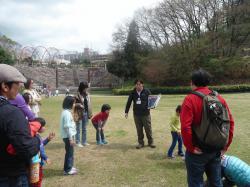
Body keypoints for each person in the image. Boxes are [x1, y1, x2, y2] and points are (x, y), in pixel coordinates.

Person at [180, 69, 234, 187]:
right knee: (216, 182)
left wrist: (190, 147)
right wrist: (225, 145)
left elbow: (185, 127)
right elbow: (230, 122)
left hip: (198, 151)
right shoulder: (219, 98)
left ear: (192, 82)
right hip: (216, 149)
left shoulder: (190, 99)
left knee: (196, 183)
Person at [0, 64, 40, 187]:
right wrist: (36, 140)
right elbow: (27, 149)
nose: (20, 87)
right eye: (17, 83)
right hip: (10, 177)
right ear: (5, 86)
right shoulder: (10, 112)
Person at [125, 79, 156, 149]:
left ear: (142, 85)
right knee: (139, 129)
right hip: (136, 114)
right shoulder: (133, 92)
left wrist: (152, 105)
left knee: (148, 129)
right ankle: (140, 143)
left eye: (139, 84)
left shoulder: (146, 91)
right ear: (135, 85)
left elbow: (152, 100)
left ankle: (151, 142)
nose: (138, 86)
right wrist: (126, 112)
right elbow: (129, 102)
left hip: (146, 114)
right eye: (137, 84)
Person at [60, 96, 78, 175]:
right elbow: (67, 127)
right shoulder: (66, 113)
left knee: (70, 152)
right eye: (74, 103)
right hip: (68, 136)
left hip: (68, 136)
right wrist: (71, 139)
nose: (74, 104)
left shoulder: (66, 112)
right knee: (69, 153)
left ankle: (69, 166)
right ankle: (67, 169)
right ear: (70, 104)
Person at [75, 81, 92, 147]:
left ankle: (84, 141)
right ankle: (78, 142)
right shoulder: (77, 94)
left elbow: (89, 104)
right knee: (78, 128)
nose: (86, 89)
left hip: (86, 113)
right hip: (79, 113)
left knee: (84, 128)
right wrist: (79, 104)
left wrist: (90, 113)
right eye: (86, 88)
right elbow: (73, 104)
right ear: (82, 87)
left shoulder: (87, 94)